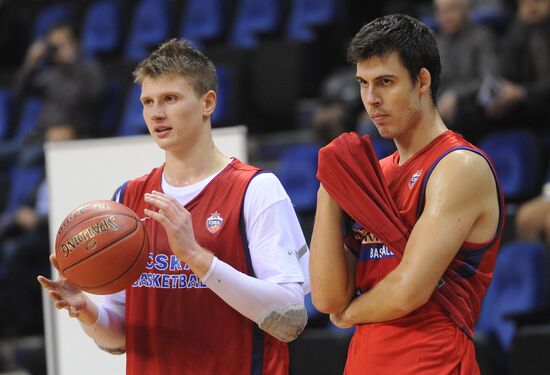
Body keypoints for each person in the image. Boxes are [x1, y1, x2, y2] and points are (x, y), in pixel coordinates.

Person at [38, 39, 310, 375]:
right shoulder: (127, 197)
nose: (156, 113)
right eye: (147, 102)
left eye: (170, 99)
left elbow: (292, 319)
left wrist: (198, 258)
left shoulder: (256, 189)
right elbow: (118, 339)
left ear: (207, 102)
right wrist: (85, 311)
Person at [309, 14, 503, 374]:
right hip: (364, 361)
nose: (371, 99)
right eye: (363, 84)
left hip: (434, 361)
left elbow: (407, 291)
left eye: (385, 82)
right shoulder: (377, 174)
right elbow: (326, 297)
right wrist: (329, 189)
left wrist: (349, 313)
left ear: (422, 81)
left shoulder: (459, 167)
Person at [0, 22, 105, 172]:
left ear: (75, 44)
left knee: (27, 159)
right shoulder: (50, 75)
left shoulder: (89, 69)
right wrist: (31, 62)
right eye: (53, 46)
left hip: (73, 136)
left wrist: (72, 62)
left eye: (61, 45)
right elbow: (18, 92)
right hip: (38, 137)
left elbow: (94, 95)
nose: (56, 51)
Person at [433, 0, 500, 142]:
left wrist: (457, 94)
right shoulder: (437, 42)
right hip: (444, 107)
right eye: (441, 11)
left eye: (451, 10)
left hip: (475, 109)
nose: (446, 16)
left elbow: (490, 79)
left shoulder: (482, 36)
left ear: (467, 10)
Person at [483, 0, 550, 131]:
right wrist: (521, 24)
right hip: (530, 106)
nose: (532, 6)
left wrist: (523, 93)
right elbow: (508, 71)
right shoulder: (520, 31)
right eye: (525, 2)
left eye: (538, 1)